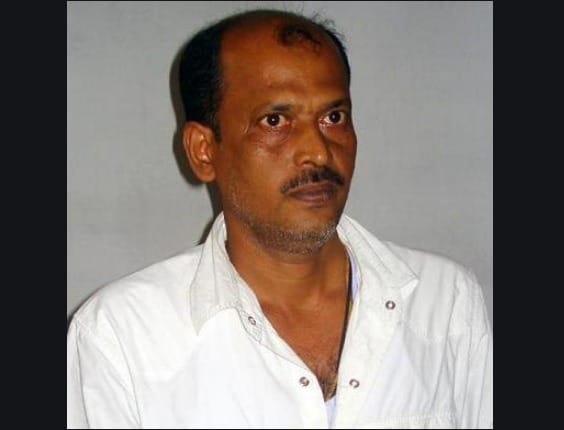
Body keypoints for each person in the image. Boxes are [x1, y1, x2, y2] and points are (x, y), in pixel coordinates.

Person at [67, 9, 492, 429]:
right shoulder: (122, 337)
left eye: (333, 117)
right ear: (203, 150)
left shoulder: (443, 303)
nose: (318, 152)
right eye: (275, 121)